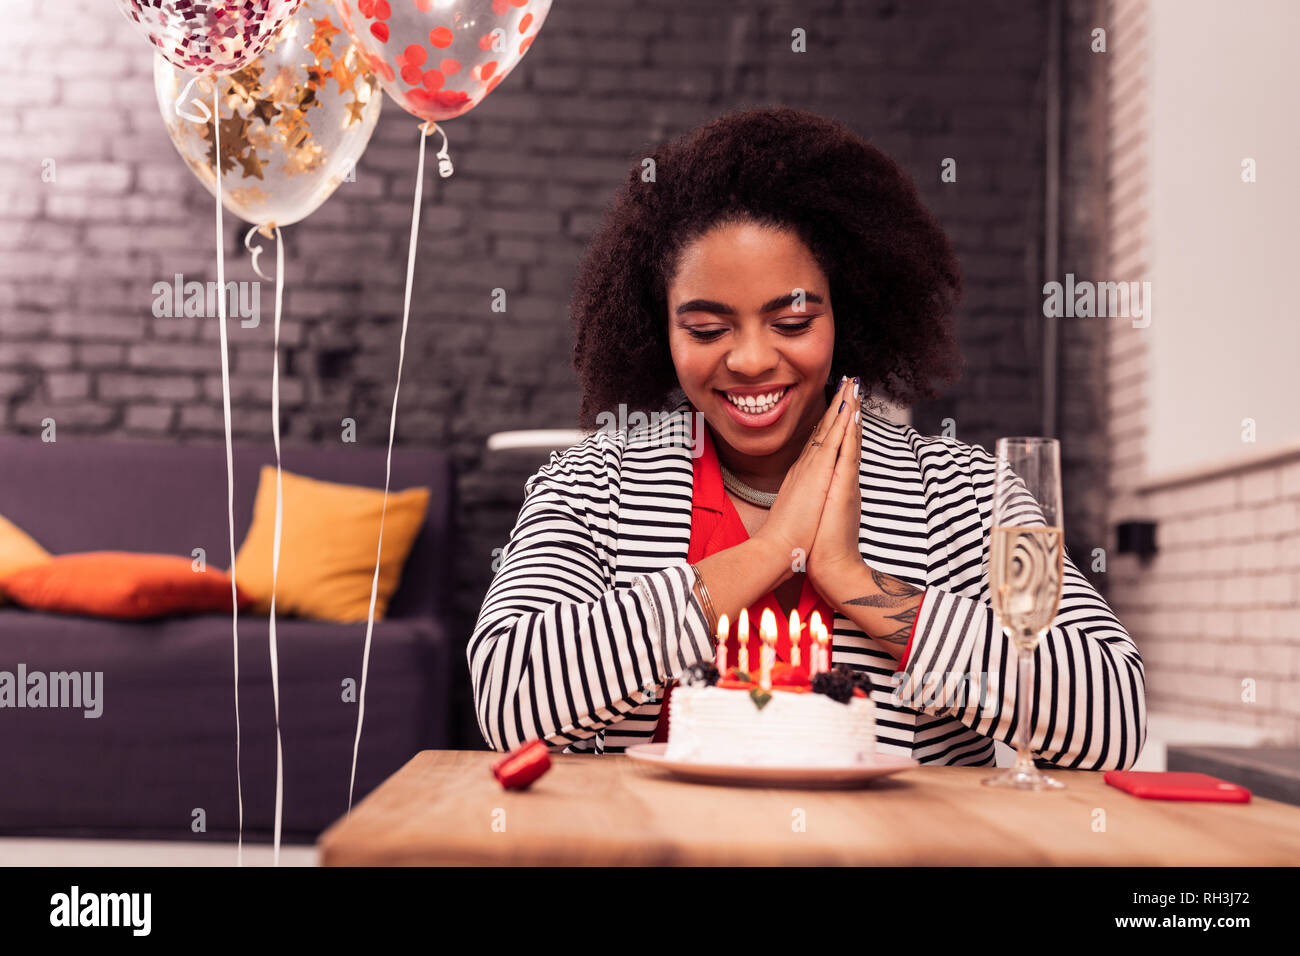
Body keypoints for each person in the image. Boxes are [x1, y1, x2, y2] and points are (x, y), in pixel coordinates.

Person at [468, 106, 1146, 768]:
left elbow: (1113, 716)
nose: (753, 359)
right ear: (660, 331)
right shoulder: (593, 484)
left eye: (791, 322)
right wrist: (767, 553)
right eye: (707, 330)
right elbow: (507, 699)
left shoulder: (967, 495)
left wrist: (854, 580)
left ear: (845, 315)